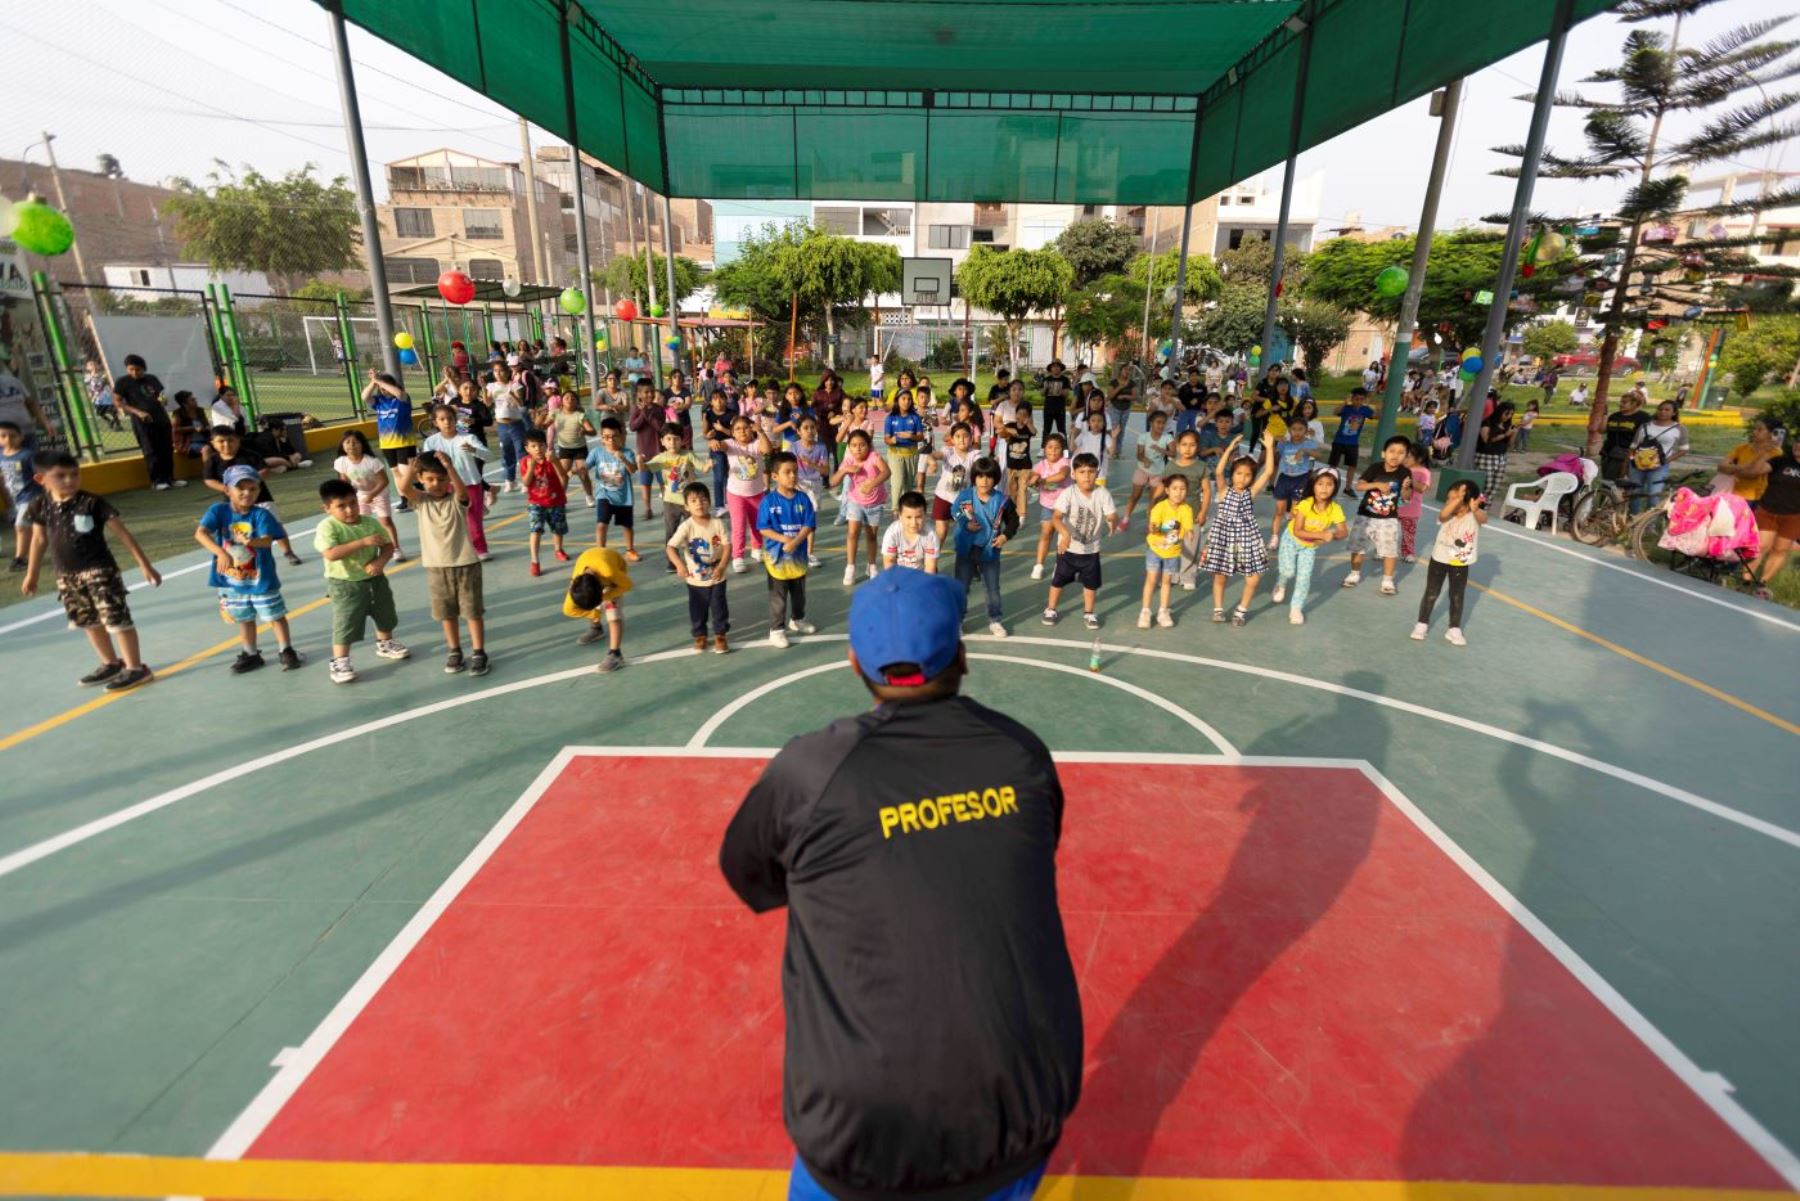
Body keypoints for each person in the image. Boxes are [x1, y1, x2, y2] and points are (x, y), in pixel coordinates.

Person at [719, 567, 1082, 1201]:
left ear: (855, 661)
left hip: (861, 1127)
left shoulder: (813, 770)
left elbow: (751, 877)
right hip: (1019, 1103)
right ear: (962, 654)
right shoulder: (1021, 755)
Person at [19, 449, 160, 689]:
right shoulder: (39, 505)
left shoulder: (92, 502)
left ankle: (136, 668)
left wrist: (144, 565)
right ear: (41, 479)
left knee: (116, 619)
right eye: (61, 476)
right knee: (88, 621)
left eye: (74, 474)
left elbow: (123, 535)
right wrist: (32, 573)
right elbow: (38, 540)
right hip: (67, 575)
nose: (70, 480)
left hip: (100, 572)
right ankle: (110, 663)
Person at [196, 464, 302, 673]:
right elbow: (200, 533)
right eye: (240, 488)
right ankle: (251, 653)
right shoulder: (218, 511)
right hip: (232, 579)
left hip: (260, 578)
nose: (247, 493)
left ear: (258, 491)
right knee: (244, 618)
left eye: (252, 489)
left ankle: (286, 649)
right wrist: (221, 553)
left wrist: (251, 542)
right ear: (227, 490)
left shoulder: (260, 515)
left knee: (274, 615)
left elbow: (266, 540)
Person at [392, 453, 487, 676]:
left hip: (466, 564)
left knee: (472, 612)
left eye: (442, 479)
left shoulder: (457, 501)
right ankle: (454, 650)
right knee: (447, 614)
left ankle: (479, 652)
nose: (437, 484)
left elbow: (462, 492)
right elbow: (404, 490)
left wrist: (449, 466)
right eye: (431, 479)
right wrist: (412, 468)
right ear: (422, 479)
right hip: (437, 567)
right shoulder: (421, 502)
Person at [314, 478, 408, 684]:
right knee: (346, 622)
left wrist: (380, 562)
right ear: (327, 508)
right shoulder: (327, 527)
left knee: (384, 612)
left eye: (353, 503)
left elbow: (388, 546)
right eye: (341, 506)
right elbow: (331, 554)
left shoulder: (370, 522)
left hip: (375, 578)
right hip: (345, 584)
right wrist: (363, 542)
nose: (349, 510)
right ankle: (340, 661)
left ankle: (385, 643)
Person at [1199, 431, 1277, 625]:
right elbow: (1218, 472)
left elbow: (1267, 472)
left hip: (1246, 536)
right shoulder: (1224, 490)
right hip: (1223, 536)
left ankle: (1241, 610)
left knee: (1253, 579)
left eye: (1247, 475)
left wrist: (1268, 448)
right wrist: (1231, 448)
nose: (1242, 478)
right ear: (1232, 474)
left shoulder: (1250, 493)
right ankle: (1218, 609)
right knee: (1220, 576)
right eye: (1238, 474)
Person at [203, 425, 304, 566]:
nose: (226, 444)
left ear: (238, 441)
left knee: (274, 525)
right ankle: (245, 557)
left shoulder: (249, 455)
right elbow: (209, 479)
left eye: (231, 440)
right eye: (221, 441)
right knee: (239, 530)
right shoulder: (212, 461)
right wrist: (225, 488)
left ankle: (288, 552)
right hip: (234, 503)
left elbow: (264, 469)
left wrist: (249, 486)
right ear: (213, 443)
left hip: (261, 499)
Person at [1042, 451, 1119, 630]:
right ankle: (1051, 608)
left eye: (1091, 472)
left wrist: (1112, 520)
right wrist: (1065, 533)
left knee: (1091, 584)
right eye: (1082, 472)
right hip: (1067, 549)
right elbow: (1056, 517)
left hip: (1091, 549)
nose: (1087, 476)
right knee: (1058, 580)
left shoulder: (1103, 494)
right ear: (1073, 474)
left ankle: (1089, 612)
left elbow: (1112, 514)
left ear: (1097, 474)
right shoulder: (1068, 493)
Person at [1411, 478, 1488, 647]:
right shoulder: (1447, 515)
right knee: (1431, 592)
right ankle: (1422, 623)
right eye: (1450, 499)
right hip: (1439, 559)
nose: (1449, 502)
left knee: (1457, 596)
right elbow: (1443, 515)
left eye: (1454, 499)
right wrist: (1457, 500)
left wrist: (1475, 509)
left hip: (1460, 563)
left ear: (1470, 501)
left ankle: (1454, 628)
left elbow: (1484, 519)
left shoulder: (1474, 517)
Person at [757, 451, 818, 648]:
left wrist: (796, 540)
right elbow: (763, 528)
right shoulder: (769, 502)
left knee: (799, 593)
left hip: (798, 557)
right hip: (777, 559)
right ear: (775, 477)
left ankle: (797, 619)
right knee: (779, 597)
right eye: (787, 472)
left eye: (795, 472)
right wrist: (784, 539)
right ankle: (776, 630)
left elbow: (809, 524)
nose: (793, 476)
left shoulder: (803, 499)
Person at [953, 457, 1018, 637]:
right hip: (966, 550)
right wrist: (965, 523)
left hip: (990, 551)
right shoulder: (966, 495)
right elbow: (955, 511)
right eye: (980, 476)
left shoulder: (1002, 500)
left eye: (989, 477)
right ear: (974, 478)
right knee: (961, 586)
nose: (984, 480)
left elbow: (1013, 520)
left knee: (992, 588)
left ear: (995, 478)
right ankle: (958, 621)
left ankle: (995, 620)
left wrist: (1006, 535)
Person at [421, 404, 493, 560]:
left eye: (450, 418)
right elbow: (426, 465)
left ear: (456, 420)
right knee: (448, 521)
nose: (447, 422)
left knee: (473, 519)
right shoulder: (431, 443)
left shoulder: (468, 438)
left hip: (470, 483)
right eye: (442, 419)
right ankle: (452, 550)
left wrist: (475, 450)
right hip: (444, 487)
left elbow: (488, 456)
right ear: (435, 422)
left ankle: (480, 548)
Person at [1344, 435, 1413, 594]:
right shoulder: (1375, 468)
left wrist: (1405, 488)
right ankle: (1354, 574)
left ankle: (1387, 580)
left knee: (1390, 549)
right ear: (1384, 453)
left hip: (1388, 518)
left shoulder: (1405, 472)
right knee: (1358, 547)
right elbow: (1359, 486)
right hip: (1365, 516)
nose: (1395, 455)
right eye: (1392, 451)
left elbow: (1407, 497)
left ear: (1406, 456)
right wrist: (1376, 484)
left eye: (1401, 453)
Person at [667, 481, 730, 653]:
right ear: (686, 506)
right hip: (695, 580)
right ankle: (700, 635)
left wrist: (723, 565)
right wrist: (679, 565)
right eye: (694, 501)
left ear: (709, 502)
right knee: (697, 609)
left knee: (719, 607)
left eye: (703, 499)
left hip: (717, 575)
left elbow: (727, 546)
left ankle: (720, 635)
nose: (699, 504)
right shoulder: (686, 526)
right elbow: (670, 547)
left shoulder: (717, 523)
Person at [1151, 428, 1213, 592]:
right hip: (1171, 516)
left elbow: (1207, 491)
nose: (1188, 448)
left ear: (1198, 447)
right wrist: (1153, 503)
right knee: (1171, 544)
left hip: (1192, 513)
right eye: (1184, 444)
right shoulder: (1171, 466)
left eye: (1192, 445)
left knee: (1190, 546)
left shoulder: (1201, 467)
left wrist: (1203, 512)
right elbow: (1162, 485)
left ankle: (1187, 576)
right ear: (1177, 447)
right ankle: (1170, 574)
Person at [645, 425, 712, 573]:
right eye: (668, 439)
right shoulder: (661, 458)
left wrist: (709, 464)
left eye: (676, 439)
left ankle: (697, 558)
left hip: (690, 502)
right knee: (671, 532)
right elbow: (647, 468)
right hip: (671, 501)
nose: (672, 442)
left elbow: (703, 467)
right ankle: (672, 561)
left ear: (682, 440)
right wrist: (640, 461)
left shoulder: (688, 455)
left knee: (694, 530)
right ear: (662, 441)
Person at [113, 354, 182, 490]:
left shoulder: (152, 379)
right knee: (151, 450)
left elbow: (160, 395)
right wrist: (138, 412)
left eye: (138, 369)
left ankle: (170, 478)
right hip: (142, 421)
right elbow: (117, 402)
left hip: (160, 417)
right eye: (131, 369)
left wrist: (163, 399)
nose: (134, 373)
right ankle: (157, 481)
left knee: (166, 448)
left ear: (144, 368)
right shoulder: (123, 382)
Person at [334, 429, 404, 563]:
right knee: (361, 523)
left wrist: (372, 495)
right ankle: (367, 549)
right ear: (342, 445)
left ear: (362, 445)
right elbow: (344, 480)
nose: (351, 445)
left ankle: (396, 548)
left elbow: (384, 481)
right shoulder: (341, 462)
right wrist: (347, 495)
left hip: (379, 494)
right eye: (347, 442)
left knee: (385, 522)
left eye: (355, 442)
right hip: (360, 496)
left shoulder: (371, 461)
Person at [832, 427, 890, 585]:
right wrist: (844, 471)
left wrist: (872, 483)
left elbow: (886, 472)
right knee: (852, 534)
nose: (858, 448)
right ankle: (850, 567)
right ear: (849, 447)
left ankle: (871, 566)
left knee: (871, 535)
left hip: (875, 503)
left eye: (862, 445)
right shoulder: (848, 461)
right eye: (854, 445)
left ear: (869, 445)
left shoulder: (874, 457)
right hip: (855, 502)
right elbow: (832, 482)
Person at [564, 544, 632, 673]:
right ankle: (596, 628)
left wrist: (606, 597)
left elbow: (627, 585)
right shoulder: (576, 582)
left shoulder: (610, 572)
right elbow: (568, 610)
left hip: (616, 566)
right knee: (586, 601)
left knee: (614, 615)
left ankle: (615, 654)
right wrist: (594, 611)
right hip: (591, 563)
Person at [1742, 439, 1798, 598]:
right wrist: (1764, 453)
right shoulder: (1780, 461)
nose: (1798, 445)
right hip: (1768, 510)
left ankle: (1762, 583)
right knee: (1761, 545)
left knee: (1780, 550)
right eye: (1797, 442)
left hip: (1794, 515)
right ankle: (1745, 580)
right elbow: (1755, 472)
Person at [1139, 472, 1193, 629]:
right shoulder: (1159, 507)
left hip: (1173, 553)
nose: (1178, 492)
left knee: (1167, 582)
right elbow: (1153, 527)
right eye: (1175, 488)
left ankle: (1163, 611)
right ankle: (1145, 611)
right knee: (1151, 579)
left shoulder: (1186, 509)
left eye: (1182, 489)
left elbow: (1188, 525)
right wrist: (1154, 528)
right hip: (1155, 549)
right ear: (1167, 490)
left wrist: (1189, 532)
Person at [722, 414, 773, 573]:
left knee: (757, 523)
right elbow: (721, 445)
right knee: (738, 526)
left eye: (745, 427)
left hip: (757, 492)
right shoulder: (730, 444)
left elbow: (767, 450)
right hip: (736, 494)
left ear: (751, 429)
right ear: (732, 433)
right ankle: (737, 557)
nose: (742, 431)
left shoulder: (756, 444)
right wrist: (714, 442)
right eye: (737, 429)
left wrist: (761, 432)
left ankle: (757, 548)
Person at [1267, 414, 1325, 550]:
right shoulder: (1284, 444)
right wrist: (1275, 442)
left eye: (1300, 429)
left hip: (1301, 479)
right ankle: (1274, 537)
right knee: (1279, 510)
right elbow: (1275, 454)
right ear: (1289, 430)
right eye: (1294, 429)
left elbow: (1320, 455)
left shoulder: (1308, 443)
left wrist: (1305, 451)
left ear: (1305, 430)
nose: (1297, 432)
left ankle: (1291, 538)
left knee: (1295, 511)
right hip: (1284, 478)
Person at [587, 417, 640, 561]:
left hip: (623, 497)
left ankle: (630, 549)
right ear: (602, 437)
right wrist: (576, 470)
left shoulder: (627, 452)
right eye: (606, 437)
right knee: (601, 524)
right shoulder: (597, 452)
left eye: (614, 436)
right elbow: (586, 466)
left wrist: (623, 459)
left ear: (621, 435)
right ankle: (600, 552)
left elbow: (633, 470)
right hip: (604, 494)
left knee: (627, 526)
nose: (610, 440)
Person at [1626, 400, 1689, 515]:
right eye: (1660, 409)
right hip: (1637, 465)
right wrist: (1631, 460)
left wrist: (1666, 460)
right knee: (1634, 492)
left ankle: (1649, 523)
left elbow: (1684, 449)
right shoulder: (1646, 426)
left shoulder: (1679, 428)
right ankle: (1633, 517)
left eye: (1667, 410)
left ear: (1674, 413)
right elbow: (1633, 446)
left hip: (1659, 467)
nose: (1663, 412)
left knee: (1653, 494)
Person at [923, 421, 981, 545]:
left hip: (963, 500)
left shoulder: (974, 454)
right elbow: (932, 455)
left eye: (965, 436)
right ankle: (932, 560)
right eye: (958, 436)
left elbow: (981, 465)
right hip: (944, 496)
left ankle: (969, 559)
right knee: (941, 532)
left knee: (970, 528)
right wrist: (932, 463)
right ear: (952, 439)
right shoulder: (948, 451)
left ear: (971, 439)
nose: (962, 439)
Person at [521, 429, 570, 576]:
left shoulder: (552, 460)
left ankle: (558, 549)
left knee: (558, 529)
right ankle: (535, 561)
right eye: (534, 446)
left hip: (556, 501)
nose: (538, 449)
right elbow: (526, 482)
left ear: (546, 446)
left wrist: (555, 462)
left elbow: (564, 478)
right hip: (536, 503)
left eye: (541, 445)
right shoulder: (525, 462)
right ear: (527, 448)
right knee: (535, 530)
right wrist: (531, 467)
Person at [1028, 432, 1072, 582]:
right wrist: (1032, 479)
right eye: (1050, 447)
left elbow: (1062, 476)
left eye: (1057, 448)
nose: (1053, 451)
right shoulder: (1040, 465)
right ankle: (1038, 565)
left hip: (1064, 507)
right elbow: (1032, 476)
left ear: (1062, 450)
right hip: (1047, 505)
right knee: (1046, 534)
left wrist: (1041, 481)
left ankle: (1059, 567)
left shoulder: (1065, 462)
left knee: (1062, 538)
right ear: (1044, 449)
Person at [1122, 408, 1173, 530]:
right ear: (1151, 423)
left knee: (1154, 500)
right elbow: (1139, 454)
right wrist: (1144, 460)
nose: (1161, 425)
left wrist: (1161, 450)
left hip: (1158, 473)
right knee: (1135, 496)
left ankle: (1150, 523)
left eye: (1163, 423)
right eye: (1158, 422)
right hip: (1142, 470)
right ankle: (1125, 519)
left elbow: (1173, 453)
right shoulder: (1143, 437)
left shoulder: (1167, 438)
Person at [1, 422, 42, 570]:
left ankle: (20, 558)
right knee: (33, 528)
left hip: (32, 496)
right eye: (3, 436)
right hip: (17, 499)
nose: (8, 439)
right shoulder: (2, 457)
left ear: (21, 437)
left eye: (13, 436)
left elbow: (40, 475)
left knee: (21, 526)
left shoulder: (27, 455)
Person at [627, 379, 668, 518]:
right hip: (644, 452)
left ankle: (667, 506)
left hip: (659, 451)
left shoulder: (658, 409)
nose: (650, 395)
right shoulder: (635, 409)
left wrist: (647, 414)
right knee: (645, 483)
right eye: (646, 392)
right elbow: (633, 426)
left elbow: (660, 428)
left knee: (663, 482)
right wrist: (643, 413)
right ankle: (647, 508)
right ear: (639, 393)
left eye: (652, 391)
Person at [1717, 417, 1781, 505]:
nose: (1754, 432)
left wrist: (1731, 470)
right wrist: (1744, 466)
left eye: (1759, 430)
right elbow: (1720, 467)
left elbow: (1751, 474)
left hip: (1752, 497)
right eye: (1754, 429)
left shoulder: (1775, 452)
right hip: (1730, 491)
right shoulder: (1742, 448)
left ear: (1772, 434)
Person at [488, 362, 529, 493]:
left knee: (521, 452)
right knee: (507, 452)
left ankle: (526, 481)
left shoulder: (515, 386)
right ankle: (509, 480)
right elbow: (487, 403)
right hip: (502, 425)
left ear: (507, 372)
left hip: (516, 424)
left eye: (501, 371)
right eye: (495, 371)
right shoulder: (492, 386)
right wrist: (483, 389)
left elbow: (521, 404)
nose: (498, 373)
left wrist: (511, 394)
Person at [883, 388, 926, 508]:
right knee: (897, 484)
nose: (906, 401)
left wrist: (911, 436)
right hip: (895, 454)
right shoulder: (890, 418)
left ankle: (905, 510)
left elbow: (921, 437)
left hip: (912, 455)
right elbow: (886, 439)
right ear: (897, 400)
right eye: (903, 399)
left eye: (909, 399)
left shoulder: (915, 417)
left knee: (908, 486)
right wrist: (892, 440)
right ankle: (895, 510)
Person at [881, 490, 940, 573]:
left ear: (925, 515)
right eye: (908, 517)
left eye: (918, 517)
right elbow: (889, 562)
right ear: (900, 516)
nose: (914, 523)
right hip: (898, 574)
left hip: (921, 575)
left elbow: (930, 566)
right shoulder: (892, 533)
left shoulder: (930, 535)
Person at [1600, 387, 1651, 482]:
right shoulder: (1615, 416)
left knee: (1613, 481)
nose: (1620, 404)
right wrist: (1605, 415)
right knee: (1606, 479)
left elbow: (1646, 437)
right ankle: (1607, 496)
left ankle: (1611, 496)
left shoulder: (1643, 417)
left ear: (1634, 404)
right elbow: (1602, 430)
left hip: (1625, 453)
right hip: (1608, 452)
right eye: (1621, 402)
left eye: (1624, 402)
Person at [1474, 398, 1517, 502]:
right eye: (1507, 413)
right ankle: (1476, 504)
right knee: (1486, 485)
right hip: (1486, 456)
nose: (1508, 416)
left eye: (1511, 414)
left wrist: (1513, 434)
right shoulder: (1488, 423)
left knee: (1495, 486)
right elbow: (1486, 439)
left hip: (1501, 456)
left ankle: (1484, 507)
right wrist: (1504, 435)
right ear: (1500, 411)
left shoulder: (1508, 425)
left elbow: (1510, 445)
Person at [1399, 442, 1432, 563]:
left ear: (1419, 458)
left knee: (1408, 534)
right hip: (1394, 506)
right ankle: (1383, 550)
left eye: (1408, 456)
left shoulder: (1424, 472)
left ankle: (1408, 553)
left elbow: (1423, 488)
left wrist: (1410, 481)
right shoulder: (1399, 468)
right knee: (1387, 530)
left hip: (1411, 509)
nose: (1404, 458)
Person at [1328, 387, 1376, 471]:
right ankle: (1330, 478)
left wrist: (1378, 406)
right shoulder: (1346, 408)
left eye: (1361, 399)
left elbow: (1377, 416)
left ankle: (1348, 484)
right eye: (1356, 399)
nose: (1359, 402)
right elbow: (1335, 412)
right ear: (1352, 399)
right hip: (1339, 441)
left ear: (1364, 400)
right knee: (1333, 464)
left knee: (1352, 466)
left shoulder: (1365, 410)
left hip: (1353, 443)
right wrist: (1344, 402)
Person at [85, 360, 123, 432]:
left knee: (112, 411)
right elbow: (89, 387)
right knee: (99, 412)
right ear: (87, 368)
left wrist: (103, 379)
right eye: (91, 365)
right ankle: (109, 421)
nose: (94, 366)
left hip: (106, 395)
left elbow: (104, 384)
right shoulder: (88, 377)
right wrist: (90, 395)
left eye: (95, 364)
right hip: (97, 397)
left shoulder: (103, 374)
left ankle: (118, 425)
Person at [171, 392, 211, 460]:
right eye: (192, 400)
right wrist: (192, 428)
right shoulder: (178, 413)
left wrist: (205, 428)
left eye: (194, 399)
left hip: (205, 439)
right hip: (187, 443)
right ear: (184, 404)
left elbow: (206, 425)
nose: (195, 401)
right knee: (206, 449)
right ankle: (209, 470)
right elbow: (175, 429)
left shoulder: (200, 410)